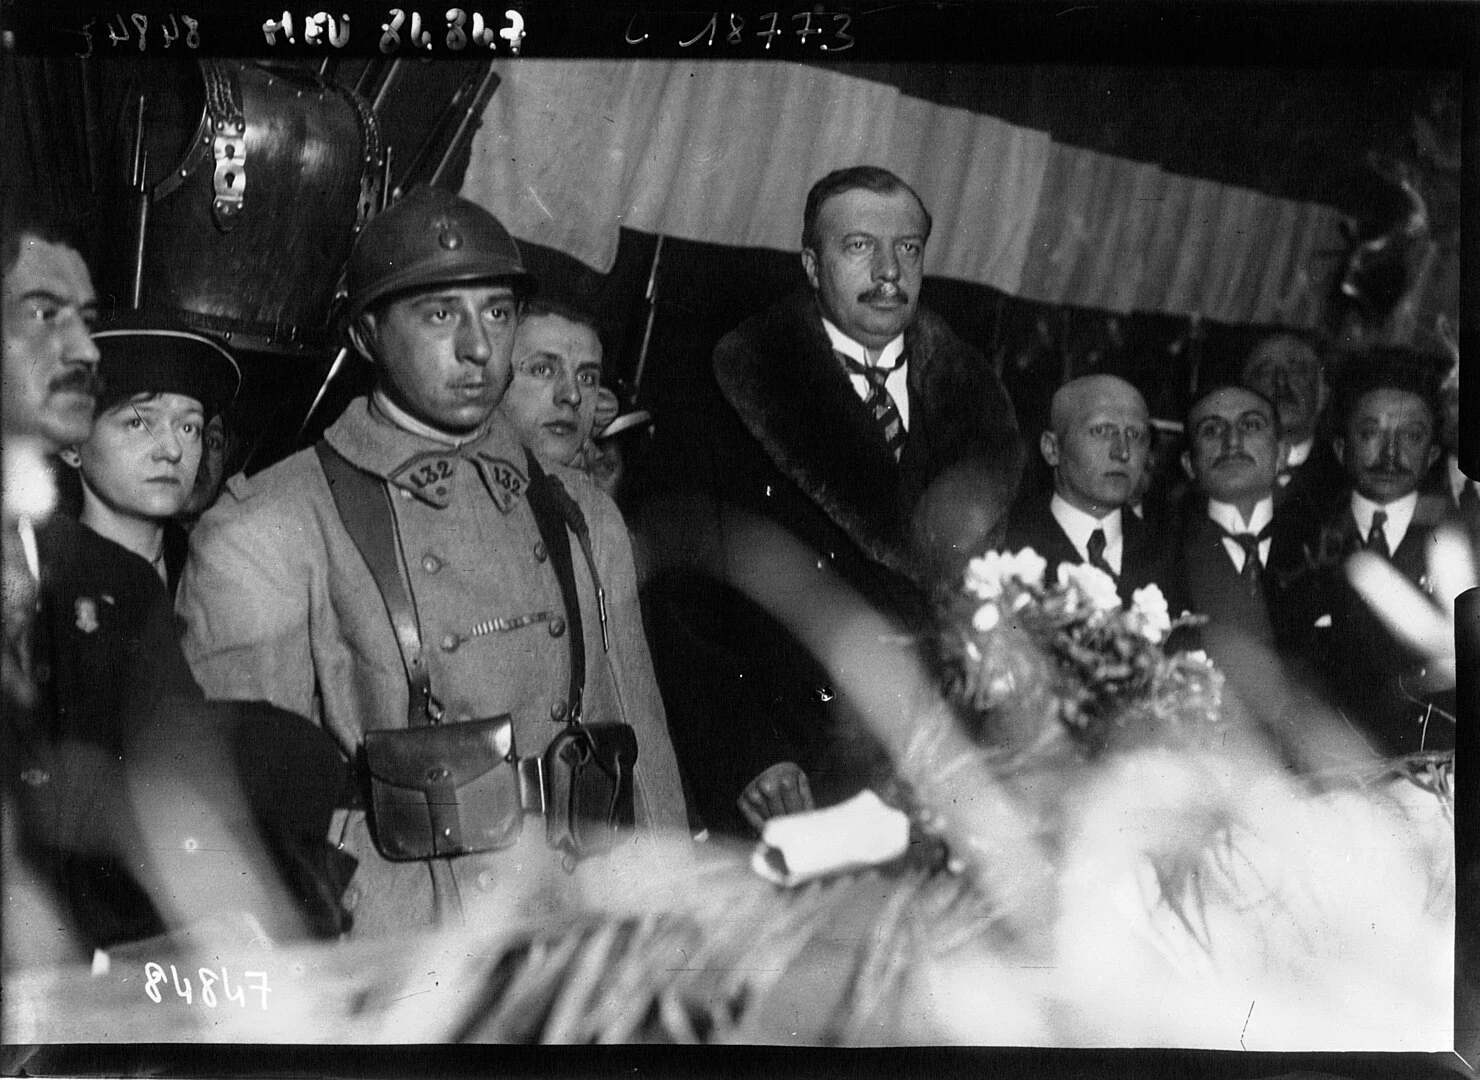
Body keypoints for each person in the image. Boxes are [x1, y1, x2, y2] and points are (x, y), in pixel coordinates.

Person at [177, 187, 688, 937]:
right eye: (440, 314)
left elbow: (641, 738)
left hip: (583, 924)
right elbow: (245, 821)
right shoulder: (273, 527)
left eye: (498, 313)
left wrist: (677, 916)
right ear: (367, 335)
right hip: (409, 948)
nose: (480, 348)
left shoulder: (582, 512)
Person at [640, 165, 1024, 836]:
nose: (887, 270)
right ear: (812, 266)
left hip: (953, 776)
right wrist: (747, 753)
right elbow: (678, 601)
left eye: (908, 248)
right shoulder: (728, 390)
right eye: (858, 247)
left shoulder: (981, 402)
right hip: (801, 772)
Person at [1304, 351, 1455, 756]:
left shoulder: (1455, 546)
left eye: (1411, 436)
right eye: (1371, 432)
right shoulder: (1302, 537)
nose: (1390, 453)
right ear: (1340, 448)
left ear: (1433, 455)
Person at [60, 321, 240, 595]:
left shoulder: (214, 574)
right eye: (137, 423)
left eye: (188, 427)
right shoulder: (42, 586)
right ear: (71, 445)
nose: (172, 449)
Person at [1001, 374, 1179, 608]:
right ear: (1052, 449)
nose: (1122, 452)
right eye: (1102, 431)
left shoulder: (1172, 554)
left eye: (1135, 435)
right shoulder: (1004, 546)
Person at [1240, 332, 1344, 541]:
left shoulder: (1345, 487)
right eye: (1266, 372)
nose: (1281, 381)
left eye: (1298, 370)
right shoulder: (1215, 476)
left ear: (1322, 395)